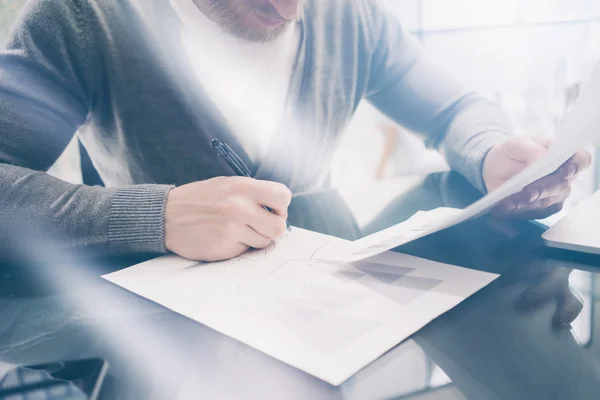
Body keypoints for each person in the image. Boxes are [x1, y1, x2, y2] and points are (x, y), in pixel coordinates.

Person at [0, 0, 591, 263]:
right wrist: (155, 216)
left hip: (317, 324)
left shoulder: (349, 15)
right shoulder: (78, 16)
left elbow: (452, 110)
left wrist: (493, 154)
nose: (291, 12)